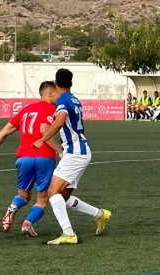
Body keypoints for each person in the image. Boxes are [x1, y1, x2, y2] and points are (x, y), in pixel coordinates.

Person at [32, 68, 111, 245]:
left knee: (52, 191)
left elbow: (60, 122)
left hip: (76, 152)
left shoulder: (63, 101)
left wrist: (42, 139)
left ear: (56, 82)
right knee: (63, 197)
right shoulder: (74, 99)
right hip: (78, 151)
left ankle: (68, 233)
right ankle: (100, 214)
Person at [0, 81, 63, 237]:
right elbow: (44, 132)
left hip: (24, 158)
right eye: (57, 93)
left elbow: (4, 132)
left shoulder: (25, 110)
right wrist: (60, 151)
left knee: (23, 195)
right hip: (44, 157)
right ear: (50, 94)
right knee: (42, 200)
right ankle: (27, 224)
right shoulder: (51, 109)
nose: (59, 96)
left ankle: (12, 208)